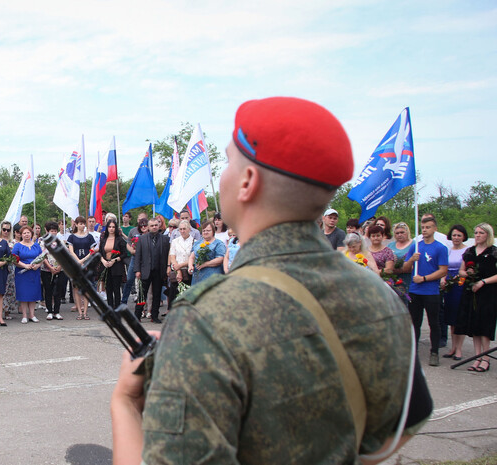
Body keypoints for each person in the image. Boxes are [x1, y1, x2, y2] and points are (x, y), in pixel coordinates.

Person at [111, 97, 430, 464]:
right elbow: (402, 426)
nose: (223, 175)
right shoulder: (380, 297)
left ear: (247, 182)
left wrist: (125, 404)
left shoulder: (207, 317)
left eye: (229, 162)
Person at [403, 215, 449, 366]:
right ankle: (413, 352)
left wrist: (424, 278)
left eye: (428, 227)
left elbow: (443, 271)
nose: (425, 230)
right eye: (423, 227)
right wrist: (411, 259)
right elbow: (406, 268)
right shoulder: (415, 246)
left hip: (431, 291)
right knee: (414, 322)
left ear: (435, 228)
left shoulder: (440, 248)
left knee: (433, 323)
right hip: (415, 291)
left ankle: (434, 352)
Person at [454, 223, 497, 372]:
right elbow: (461, 271)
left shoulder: (493, 252)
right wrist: (467, 274)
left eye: (481, 233)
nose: (477, 235)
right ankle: (476, 356)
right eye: (476, 232)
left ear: (488, 235)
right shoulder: (469, 251)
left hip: (487, 292)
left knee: (484, 325)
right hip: (471, 291)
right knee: (474, 324)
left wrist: (483, 281)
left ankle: (486, 358)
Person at [131, 217, 170, 324]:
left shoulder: (165, 239)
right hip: (145, 271)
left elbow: (167, 256)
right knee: (142, 295)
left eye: (156, 225)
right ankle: (137, 315)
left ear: (159, 226)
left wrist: (167, 269)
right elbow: (138, 256)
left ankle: (154, 316)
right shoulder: (142, 239)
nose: (154, 227)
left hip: (159, 271)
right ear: (148, 227)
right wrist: (137, 270)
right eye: (152, 225)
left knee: (157, 294)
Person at [441, 225, 469, 360]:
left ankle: (459, 349)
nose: (456, 238)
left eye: (459, 235)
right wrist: (443, 280)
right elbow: (444, 268)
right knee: (451, 317)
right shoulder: (448, 250)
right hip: (448, 284)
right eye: (454, 235)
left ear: (463, 236)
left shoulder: (467, 251)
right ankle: (452, 347)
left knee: (459, 317)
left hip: (460, 284)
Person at [67, 216, 95, 320]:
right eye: (80, 223)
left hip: (87, 264)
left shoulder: (89, 237)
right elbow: (71, 251)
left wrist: (83, 261)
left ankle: (85, 312)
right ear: (76, 224)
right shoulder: (72, 237)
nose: (82, 225)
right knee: (76, 288)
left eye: (84, 223)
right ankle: (79, 312)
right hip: (75, 265)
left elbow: (92, 251)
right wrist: (78, 261)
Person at [13, 226, 43, 323]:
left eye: (28, 233)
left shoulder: (36, 245)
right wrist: (24, 265)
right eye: (24, 233)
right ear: (21, 235)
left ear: (31, 234)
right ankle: (24, 315)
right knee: (24, 294)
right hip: (22, 273)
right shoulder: (18, 246)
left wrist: (38, 265)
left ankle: (32, 315)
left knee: (33, 293)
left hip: (34, 272)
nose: (26, 235)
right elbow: (14, 259)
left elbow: (42, 257)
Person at [98, 219, 128, 308]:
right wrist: (103, 260)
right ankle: (110, 307)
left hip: (116, 266)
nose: (111, 229)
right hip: (105, 266)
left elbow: (124, 254)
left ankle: (117, 307)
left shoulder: (120, 240)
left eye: (113, 227)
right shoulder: (103, 239)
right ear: (107, 228)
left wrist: (114, 260)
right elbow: (100, 252)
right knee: (108, 288)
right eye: (109, 227)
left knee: (116, 288)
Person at [40, 221, 66, 320]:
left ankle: (57, 311)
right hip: (47, 270)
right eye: (51, 231)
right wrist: (50, 268)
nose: (53, 233)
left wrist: (59, 266)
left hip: (60, 269)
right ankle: (50, 311)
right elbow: (42, 256)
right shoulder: (43, 242)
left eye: (55, 231)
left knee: (58, 291)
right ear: (47, 231)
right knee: (48, 290)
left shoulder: (61, 242)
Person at [167, 219, 195, 310]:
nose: (182, 231)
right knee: (174, 296)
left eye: (184, 229)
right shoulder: (175, 241)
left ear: (189, 229)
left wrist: (181, 265)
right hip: (176, 271)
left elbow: (194, 258)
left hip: (189, 271)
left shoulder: (195, 241)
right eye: (180, 229)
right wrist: (178, 270)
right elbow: (172, 257)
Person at [122, 218, 148, 305]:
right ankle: (124, 301)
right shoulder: (133, 231)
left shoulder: (150, 234)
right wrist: (132, 251)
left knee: (144, 280)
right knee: (129, 279)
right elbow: (128, 243)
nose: (143, 227)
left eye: (145, 225)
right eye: (142, 225)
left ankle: (143, 301)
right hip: (135, 257)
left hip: (146, 259)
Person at [390, 222, 414, 288]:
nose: (399, 235)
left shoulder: (414, 244)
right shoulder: (390, 245)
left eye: (402, 232)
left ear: (407, 232)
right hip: (393, 277)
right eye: (397, 233)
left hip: (409, 277)